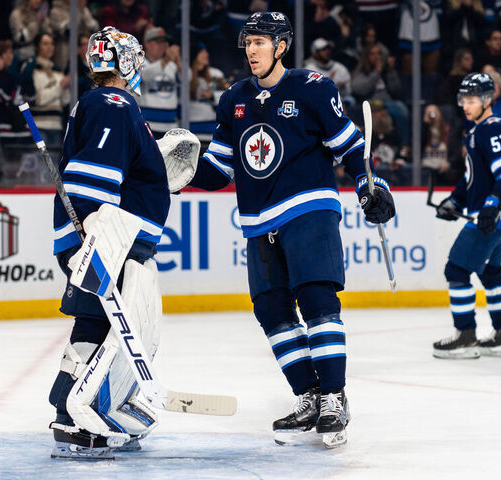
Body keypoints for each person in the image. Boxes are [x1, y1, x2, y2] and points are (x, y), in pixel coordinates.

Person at [167, 11, 396, 448]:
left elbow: (349, 146)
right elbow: (218, 168)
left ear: (281, 46)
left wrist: (370, 183)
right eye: (247, 42)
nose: (251, 50)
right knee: (271, 311)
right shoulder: (233, 98)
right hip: (259, 222)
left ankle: (334, 397)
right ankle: (309, 395)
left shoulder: (314, 88)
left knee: (316, 298)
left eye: (259, 42)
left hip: (309, 208)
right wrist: (176, 175)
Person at [47, 26, 170, 458]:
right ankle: (76, 413)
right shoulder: (114, 103)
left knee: (96, 323)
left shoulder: (104, 104)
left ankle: (70, 406)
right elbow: (93, 177)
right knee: (113, 326)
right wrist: (94, 238)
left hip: (100, 234)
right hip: (104, 237)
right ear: (124, 63)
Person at [433, 73, 501, 359]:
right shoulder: (477, 130)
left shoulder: (493, 128)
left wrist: (493, 204)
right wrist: (453, 201)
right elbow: (473, 179)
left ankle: (465, 335)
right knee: (490, 271)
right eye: (463, 100)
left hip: (492, 215)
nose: (465, 105)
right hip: (497, 214)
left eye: (471, 100)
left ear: (488, 100)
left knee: (456, 270)